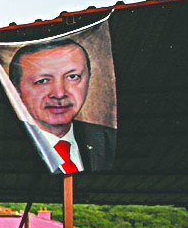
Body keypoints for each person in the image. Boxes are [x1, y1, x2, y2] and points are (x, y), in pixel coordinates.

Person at [8, 39, 116, 173]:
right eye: (43, 81)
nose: (59, 94)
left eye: (72, 77)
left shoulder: (109, 140)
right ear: (16, 89)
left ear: (89, 79)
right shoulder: (3, 151)